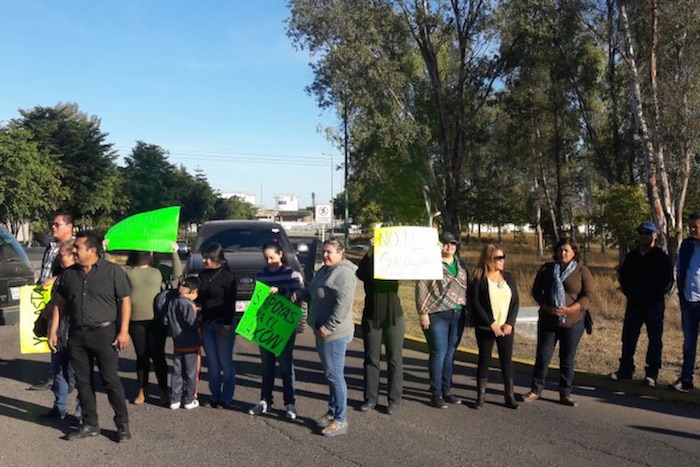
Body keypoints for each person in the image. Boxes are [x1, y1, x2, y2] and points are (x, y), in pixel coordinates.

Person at [48, 230, 132, 441]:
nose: (74, 251)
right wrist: (53, 330)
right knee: (83, 382)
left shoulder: (112, 272)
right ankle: (89, 423)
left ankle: (122, 425)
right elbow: (59, 303)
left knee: (110, 380)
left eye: (78, 247)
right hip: (77, 335)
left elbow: (125, 301)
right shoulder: (69, 274)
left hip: (104, 334)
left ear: (92, 250)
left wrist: (123, 331)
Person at [523, 236, 594, 407]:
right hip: (548, 320)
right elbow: (536, 291)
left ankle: (565, 393)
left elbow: (588, 295)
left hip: (573, 321)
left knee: (567, 359)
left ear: (573, 252)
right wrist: (546, 306)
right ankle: (536, 389)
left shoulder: (581, 270)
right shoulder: (548, 269)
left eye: (566, 250)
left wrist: (571, 309)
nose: (563, 253)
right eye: (560, 250)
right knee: (543, 356)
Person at [300, 238, 357, 437]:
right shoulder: (325, 270)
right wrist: (299, 293)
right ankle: (333, 411)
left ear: (341, 253)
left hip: (334, 333)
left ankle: (341, 420)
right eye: (324, 251)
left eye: (329, 252)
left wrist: (328, 327)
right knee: (330, 374)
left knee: (335, 376)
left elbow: (343, 304)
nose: (325, 255)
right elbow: (314, 293)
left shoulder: (344, 273)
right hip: (321, 330)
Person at [610, 221, 673, 388]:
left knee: (654, 339)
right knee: (628, 338)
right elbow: (623, 278)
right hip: (634, 304)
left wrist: (654, 296)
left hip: (654, 305)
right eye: (641, 233)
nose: (644, 236)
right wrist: (631, 294)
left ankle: (651, 374)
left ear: (655, 236)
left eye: (647, 233)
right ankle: (625, 370)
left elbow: (667, 282)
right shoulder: (632, 256)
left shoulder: (661, 257)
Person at [122, 243, 182, 405]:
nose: (147, 252)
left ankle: (163, 389)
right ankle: (142, 389)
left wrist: (174, 253)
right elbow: (109, 271)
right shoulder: (128, 270)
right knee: (142, 356)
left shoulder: (159, 269)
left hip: (157, 319)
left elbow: (177, 274)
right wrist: (106, 251)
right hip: (135, 321)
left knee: (158, 356)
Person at [248, 241, 303, 419]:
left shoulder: (291, 273)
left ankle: (289, 403)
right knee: (266, 366)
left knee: (286, 365)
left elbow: (297, 293)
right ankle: (265, 400)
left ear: (280, 254)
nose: (269, 261)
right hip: (266, 326)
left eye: (272, 257)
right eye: (266, 258)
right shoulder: (261, 274)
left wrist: (280, 291)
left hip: (284, 326)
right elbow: (256, 297)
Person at [415, 231, 469, 409]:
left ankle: (447, 390)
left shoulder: (460, 264)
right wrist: (423, 312)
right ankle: (436, 393)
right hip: (437, 314)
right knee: (438, 352)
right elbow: (421, 286)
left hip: (458, 313)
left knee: (450, 353)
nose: (449, 247)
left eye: (453, 244)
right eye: (446, 243)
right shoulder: (431, 263)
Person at [356, 240, 404, 414]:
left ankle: (394, 400)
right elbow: (360, 274)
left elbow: (414, 265)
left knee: (395, 359)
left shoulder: (396, 259)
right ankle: (370, 399)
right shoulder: (369, 261)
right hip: (371, 314)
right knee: (371, 358)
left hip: (394, 315)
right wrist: (370, 252)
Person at [469, 244, 520, 409]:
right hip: (486, 328)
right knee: (484, 359)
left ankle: (509, 395)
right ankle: (481, 396)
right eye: (499, 257)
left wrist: (509, 323)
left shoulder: (509, 277)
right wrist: (491, 323)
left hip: (506, 327)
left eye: (503, 257)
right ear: (489, 259)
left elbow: (516, 302)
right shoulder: (478, 278)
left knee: (506, 360)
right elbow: (475, 303)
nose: (502, 260)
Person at [29, 212, 74, 391]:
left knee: (66, 338)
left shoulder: (76, 245)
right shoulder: (52, 245)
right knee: (51, 335)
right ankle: (55, 377)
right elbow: (46, 270)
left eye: (57, 225)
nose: (53, 227)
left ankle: (69, 379)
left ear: (69, 227)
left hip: (64, 299)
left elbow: (76, 273)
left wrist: (55, 279)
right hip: (47, 296)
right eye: (52, 224)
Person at [38, 240, 82, 421]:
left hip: (74, 330)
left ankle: (82, 411)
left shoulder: (80, 277)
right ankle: (59, 407)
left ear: (73, 255)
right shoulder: (60, 277)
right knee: (58, 371)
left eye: (62, 255)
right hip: (59, 330)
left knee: (79, 373)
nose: (59, 258)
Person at [196, 242, 237, 408]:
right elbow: (199, 297)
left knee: (225, 362)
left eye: (208, 258)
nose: (205, 261)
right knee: (212, 363)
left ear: (217, 259)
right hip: (207, 324)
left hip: (222, 324)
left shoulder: (228, 277)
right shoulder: (203, 275)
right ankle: (215, 395)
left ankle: (226, 397)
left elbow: (230, 304)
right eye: (204, 258)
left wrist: (227, 325)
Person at [163, 276, 202, 410]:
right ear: (193, 291)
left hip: (177, 342)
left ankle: (175, 399)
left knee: (177, 371)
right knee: (191, 373)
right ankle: (189, 399)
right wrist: (200, 318)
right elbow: (193, 323)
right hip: (191, 342)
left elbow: (166, 320)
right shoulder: (188, 305)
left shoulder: (172, 302)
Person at [671, 212, 700, 392]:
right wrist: (681, 293)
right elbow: (680, 268)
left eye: (696, 227)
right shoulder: (687, 245)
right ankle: (686, 379)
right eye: (691, 227)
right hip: (689, 301)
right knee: (689, 342)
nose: (692, 230)